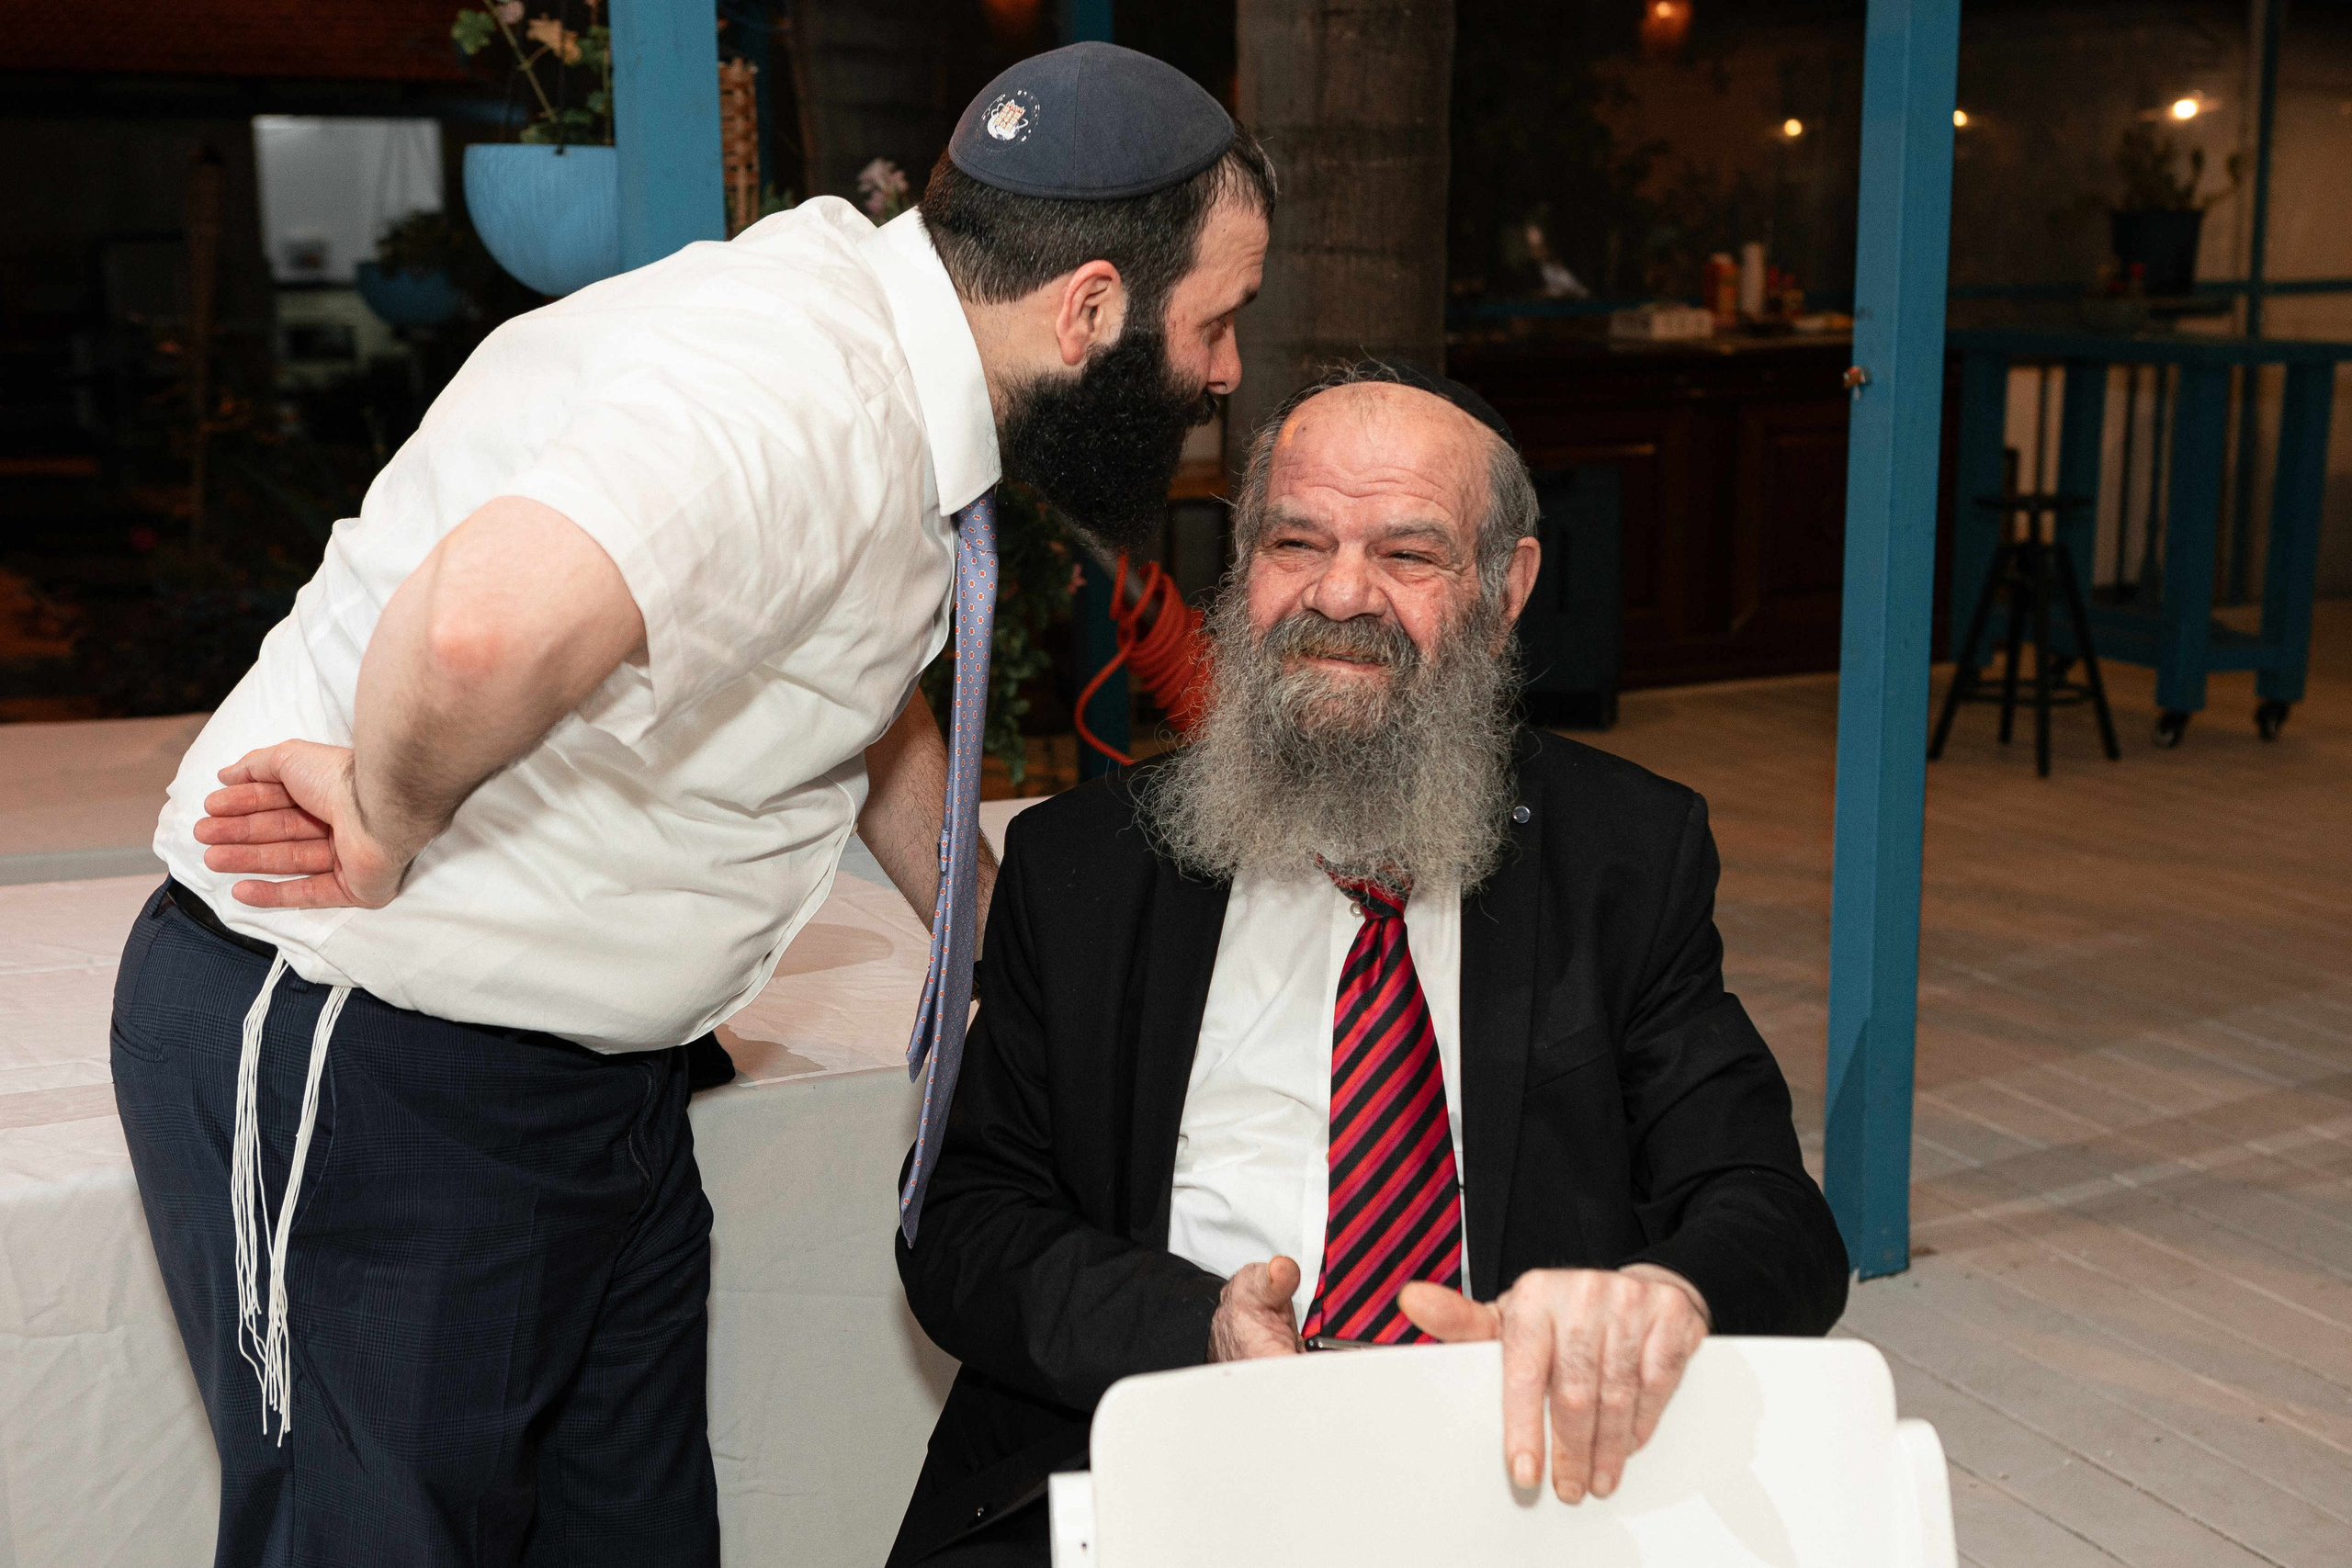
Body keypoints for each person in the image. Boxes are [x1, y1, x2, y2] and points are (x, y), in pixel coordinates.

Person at [109, 42, 1272, 1568]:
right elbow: (484, 626)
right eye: (1219, 320)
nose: (1229, 372)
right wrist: (388, 810)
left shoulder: (888, 353)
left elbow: (840, 672)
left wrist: (981, 941)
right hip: (387, 1049)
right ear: (1095, 308)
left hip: (595, 1087)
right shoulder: (802, 398)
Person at [888, 361, 1849, 1566]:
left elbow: (1774, 1217)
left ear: (1508, 588)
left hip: (1502, 1484)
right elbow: (962, 1227)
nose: (1341, 594)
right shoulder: (1086, 868)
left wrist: (1661, 1295)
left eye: (1407, 555)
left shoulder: (1626, 857)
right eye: (1298, 542)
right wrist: (1197, 1330)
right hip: (1160, 1457)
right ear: (1244, 567)